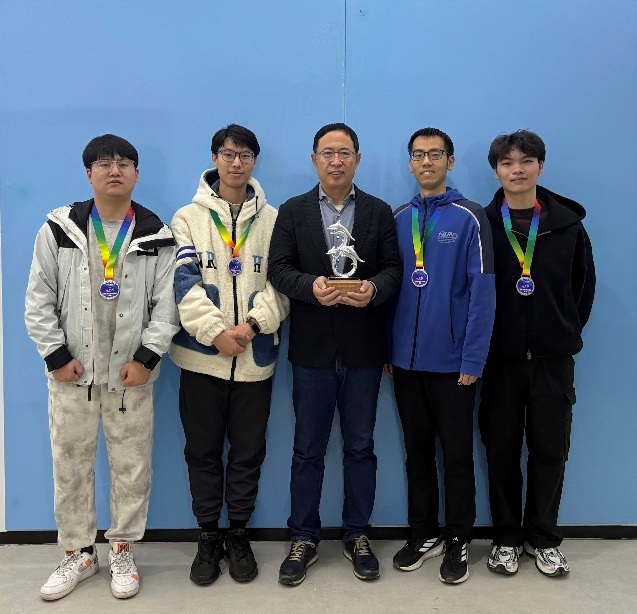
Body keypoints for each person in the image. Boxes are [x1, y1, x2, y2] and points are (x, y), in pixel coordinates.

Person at [25, 134, 179, 601]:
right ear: (88, 173)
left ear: (136, 174)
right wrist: (56, 357)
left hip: (132, 377)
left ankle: (123, 550)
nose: (115, 170)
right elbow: (38, 299)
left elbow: (167, 305)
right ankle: (78, 553)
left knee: (133, 467)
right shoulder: (59, 229)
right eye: (105, 163)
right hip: (72, 376)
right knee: (70, 466)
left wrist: (147, 358)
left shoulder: (156, 234)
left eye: (124, 163)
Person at [268, 122, 402, 585]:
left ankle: (357, 534)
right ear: (314, 160)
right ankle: (303, 537)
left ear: (357, 160)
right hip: (311, 351)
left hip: (364, 350)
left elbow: (394, 269)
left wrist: (373, 289)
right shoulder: (293, 211)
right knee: (308, 449)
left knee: (361, 447)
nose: (336, 160)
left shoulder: (379, 212)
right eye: (328, 152)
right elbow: (278, 269)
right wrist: (311, 287)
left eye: (345, 152)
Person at [169, 124, 289, 586]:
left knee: (248, 453)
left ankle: (238, 534)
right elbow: (182, 283)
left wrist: (252, 325)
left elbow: (282, 283)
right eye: (227, 153)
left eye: (245, 155)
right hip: (202, 360)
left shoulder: (274, 219)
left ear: (255, 161)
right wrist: (216, 333)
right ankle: (207, 536)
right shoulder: (187, 218)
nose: (236, 162)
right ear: (215, 158)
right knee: (201, 452)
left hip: (255, 361)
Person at [479, 130, 595, 578]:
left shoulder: (568, 226)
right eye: (507, 163)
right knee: (501, 452)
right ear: (496, 171)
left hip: (552, 360)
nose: (517, 170)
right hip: (499, 360)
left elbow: (583, 288)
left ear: (540, 167)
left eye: (526, 161)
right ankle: (507, 539)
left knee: (550, 452)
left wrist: (561, 331)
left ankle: (543, 539)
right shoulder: (482, 225)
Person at [386, 128, 495, 584]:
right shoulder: (398, 217)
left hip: (453, 365)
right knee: (416, 453)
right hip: (405, 365)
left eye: (435, 154)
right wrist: (389, 350)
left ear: (449, 161)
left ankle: (459, 538)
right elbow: (390, 288)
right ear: (410, 163)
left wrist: (472, 360)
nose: (426, 161)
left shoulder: (470, 216)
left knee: (456, 456)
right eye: (418, 155)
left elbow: (482, 293)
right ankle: (424, 532)